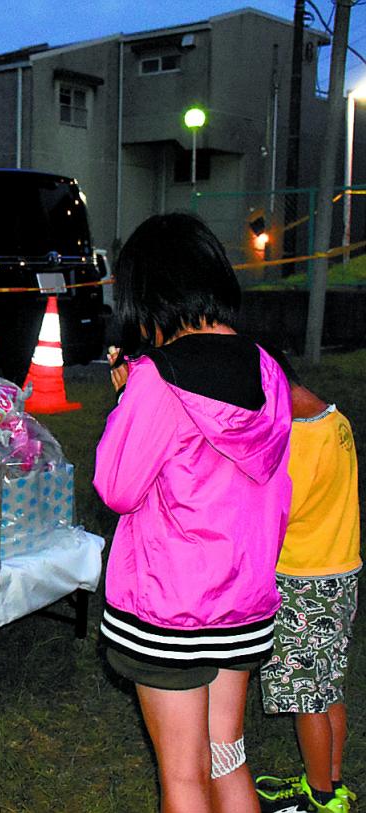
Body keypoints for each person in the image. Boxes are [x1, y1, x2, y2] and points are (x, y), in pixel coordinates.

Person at [94, 212, 292, 813]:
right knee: (226, 751)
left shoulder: (158, 378)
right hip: (243, 600)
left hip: (169, 609)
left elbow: (118, 487)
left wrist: (128, 396)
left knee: (182, 777)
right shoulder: (268, 368)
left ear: (148, 294)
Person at [253, 349, 360, 813]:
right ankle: (331, 783)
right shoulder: (336, 421)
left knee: (306, 698)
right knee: (328, 685)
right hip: (340, 571)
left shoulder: (297, 442)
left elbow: (278, 513)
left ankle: (317, 799)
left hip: (304, 581)